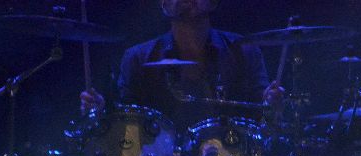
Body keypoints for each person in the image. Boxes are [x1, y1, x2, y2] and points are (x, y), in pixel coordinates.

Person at [81, 0, 282, 127]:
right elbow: (126, 121)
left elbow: (264, 117)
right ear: (163, 4)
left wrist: (271, 104)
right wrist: (101, 112)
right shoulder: (137, 58)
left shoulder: (244, 51)